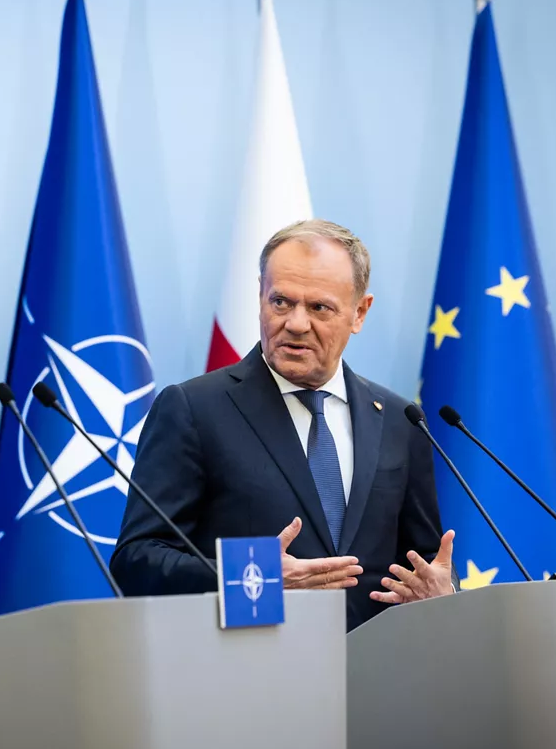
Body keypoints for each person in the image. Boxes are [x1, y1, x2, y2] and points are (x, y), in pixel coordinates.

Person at [112, 219, 456, 630]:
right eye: (281, 302)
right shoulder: (194, 409)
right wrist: (256, 577)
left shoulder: (400, 421)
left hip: (374, 679)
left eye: (319, 308)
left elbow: (425, 563)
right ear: (260, 296)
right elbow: (136, 559)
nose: (295, 323)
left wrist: (443, 592)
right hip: (246, 672)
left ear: (359, 312)